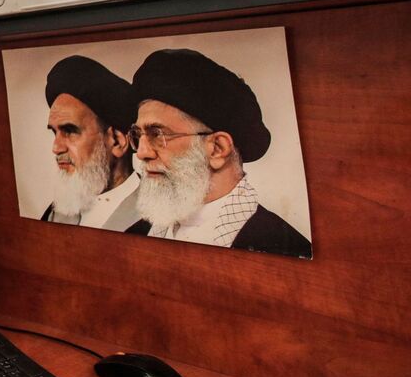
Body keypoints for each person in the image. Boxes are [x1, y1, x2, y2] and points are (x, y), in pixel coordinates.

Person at [126, 48, 312, 258]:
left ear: (217, 149)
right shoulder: (137, 233)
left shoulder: (283, 249)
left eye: (157, 134)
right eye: (137, 135)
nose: (141, 153)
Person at [40, 55, 140, 230]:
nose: (56, 148)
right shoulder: (57, 213)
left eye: (70, 131)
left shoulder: (157, 222)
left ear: (117, 141)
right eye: (54, 132)